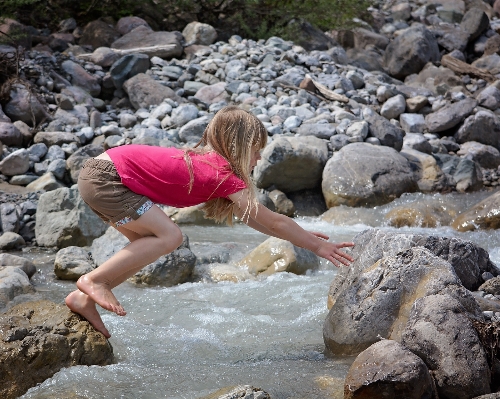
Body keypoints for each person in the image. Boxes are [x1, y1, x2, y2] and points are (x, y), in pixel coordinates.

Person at [65, 105, 355, 338]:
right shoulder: (221, 172)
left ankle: (83, 298)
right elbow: (275, 222)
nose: (258, 159)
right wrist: (317, 247)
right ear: (239, 148)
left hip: (100, 175)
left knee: (147, 244)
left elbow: (257, 221)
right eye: (255, 152)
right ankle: (94, 280)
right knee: (171, 237)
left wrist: (302, 236)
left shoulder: (211, 167)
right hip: (108, 177)